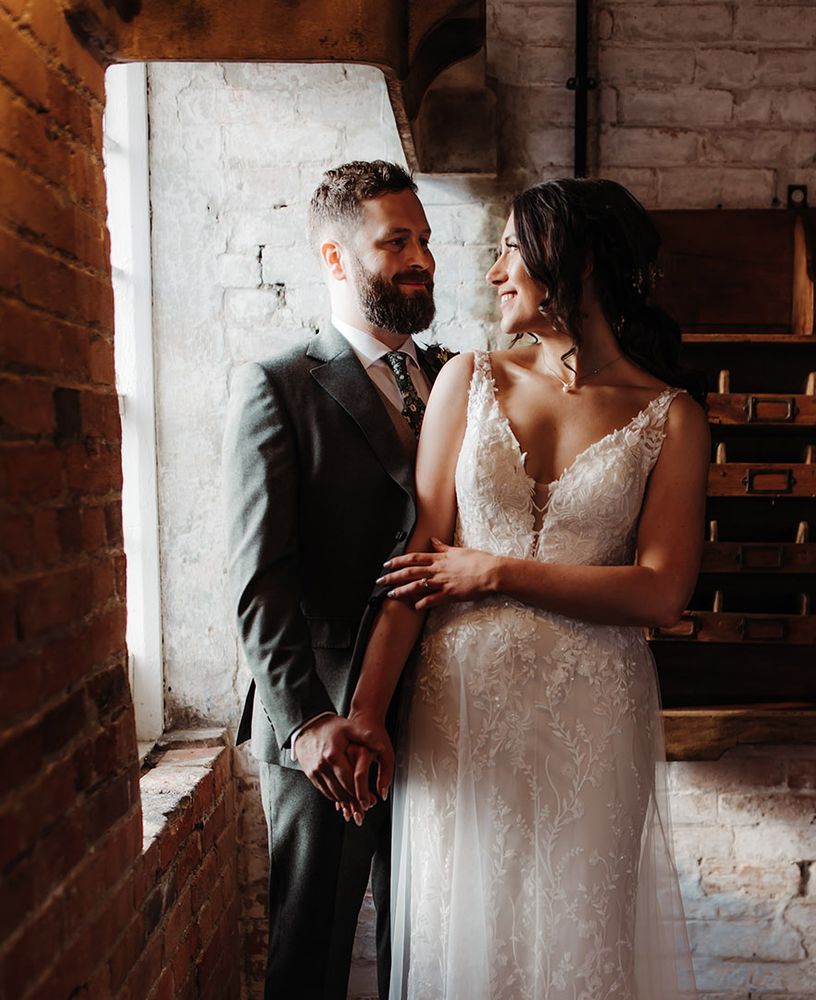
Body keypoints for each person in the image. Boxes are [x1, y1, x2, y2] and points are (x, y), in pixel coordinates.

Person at [341, 178, 709, 999]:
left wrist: (496, 570)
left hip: (594, 710)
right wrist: (366, 712)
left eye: (511, 249)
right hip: (460, 703)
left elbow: (660, 594)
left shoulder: (672, 417)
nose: (495, 271)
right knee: (467, 938)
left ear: (570, 263)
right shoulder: (466, 379)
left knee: (581, 939)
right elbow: (416, 567)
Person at [222, 160, 448, 1000]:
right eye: (396, 242)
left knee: (423, 941)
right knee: (311, 955)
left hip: (442, 710)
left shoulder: (456, 374)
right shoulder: (279, 386)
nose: (421, 258)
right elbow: (257, 577)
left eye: (423, 239)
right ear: (333, 258)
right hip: (327, 730)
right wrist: (309, 720)